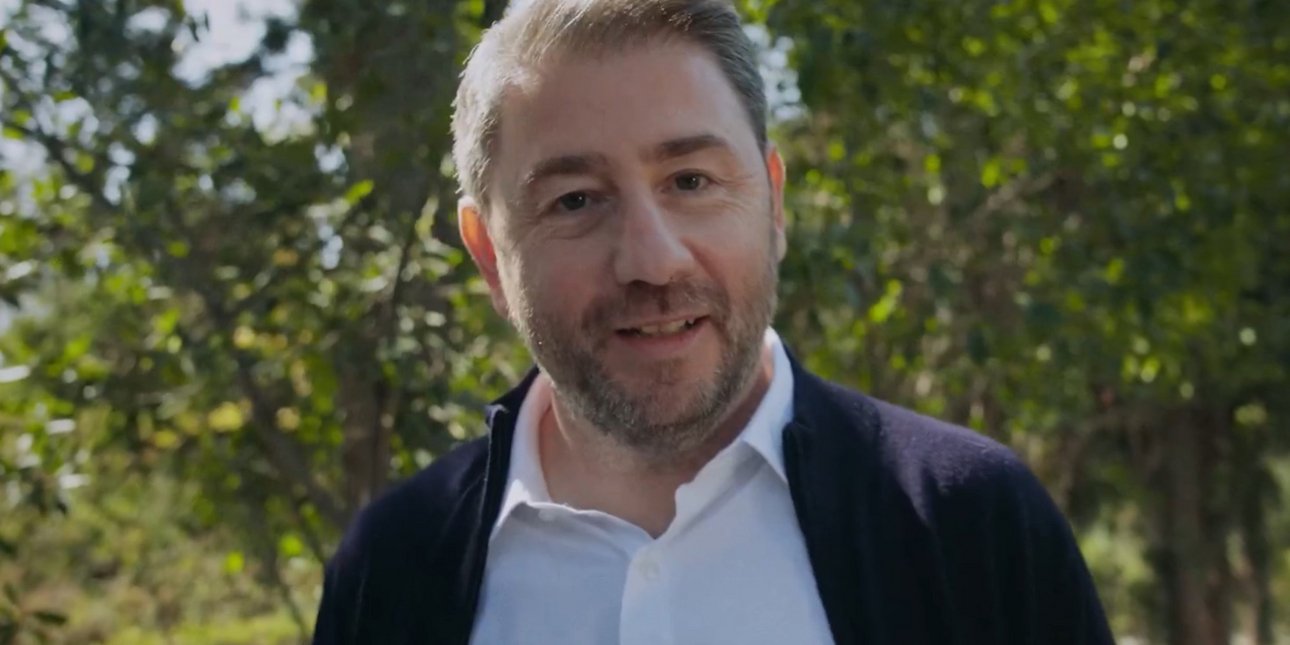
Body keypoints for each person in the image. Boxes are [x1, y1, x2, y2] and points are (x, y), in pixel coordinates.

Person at [311, 0, 1114, 643]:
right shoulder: (394, 569)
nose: (653, 261)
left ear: (774, 203)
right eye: (576, 200)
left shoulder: (971, 525)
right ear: (489, 255)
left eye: (691, 180)